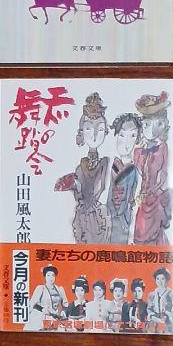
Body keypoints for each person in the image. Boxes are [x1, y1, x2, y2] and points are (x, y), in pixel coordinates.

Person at [54, 92, 110, 244]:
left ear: (105, 131)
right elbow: (80, 195)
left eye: (100, 129)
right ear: (82, 132)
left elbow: (100, 188)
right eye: (88, 129)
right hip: (83, 215)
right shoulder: (81, 165)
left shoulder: (105, 162)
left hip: (96, 215)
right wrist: (74, 187)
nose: (94, 135)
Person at [132, 92, 173, 245]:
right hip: (142, 200)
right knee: (139, 234)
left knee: (154, 236)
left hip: (155, 199)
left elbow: (163, 177)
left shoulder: (163, 149)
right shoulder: (138, 152)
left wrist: (149, 193)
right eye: (147, 125)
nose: (153, 130)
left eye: (159, 124)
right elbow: (137, 175)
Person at [107, 112, 142, 244]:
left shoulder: (134, 171)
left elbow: (132, 199)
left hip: (123, 220)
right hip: (108, 218)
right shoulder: (111, 165)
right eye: (122, 135)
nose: (126, 143)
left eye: (132, 136)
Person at [25, 264, 69, 330]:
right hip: (40, 317)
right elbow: (32, 304)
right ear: (45, 277)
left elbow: (65, 304)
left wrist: (63, 311)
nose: (51, 278)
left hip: (54, 318)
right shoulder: (41, 288)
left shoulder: (60, 289)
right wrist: (42, 309)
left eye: (53, 275)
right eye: (48, 275)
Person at [147, 267, 173, 333]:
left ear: (166, 279)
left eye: (162, 279)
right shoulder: (152, 295)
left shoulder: (171, 293)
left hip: (168, 322)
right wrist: (152, 316)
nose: (160, 281)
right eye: (158, 279)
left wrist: (168, 316)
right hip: (154, 322)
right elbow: (149, 309)